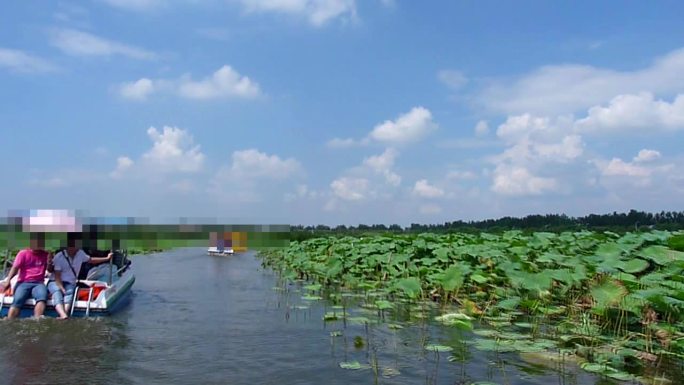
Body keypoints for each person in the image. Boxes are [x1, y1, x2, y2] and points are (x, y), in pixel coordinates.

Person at [47, 234, 112, 319]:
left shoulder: (80, 253)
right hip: (55, 282)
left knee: (69, 292)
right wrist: (61, 287)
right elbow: (57, 276)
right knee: (57, 291)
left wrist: (107, 258)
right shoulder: (59, 256)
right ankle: (62, 314)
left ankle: (65, 313)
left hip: (70, 281)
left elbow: (91, 260)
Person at [0, 233, 51, 320]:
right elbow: (15, 268)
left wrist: (49, 262)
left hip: (38, 283)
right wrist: (8, 280)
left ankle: (37, 319)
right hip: (24, 282)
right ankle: (10, 319)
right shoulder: (23, 253)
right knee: (18, 299)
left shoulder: (45, 255)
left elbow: (50, 270)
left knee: (42, 297)